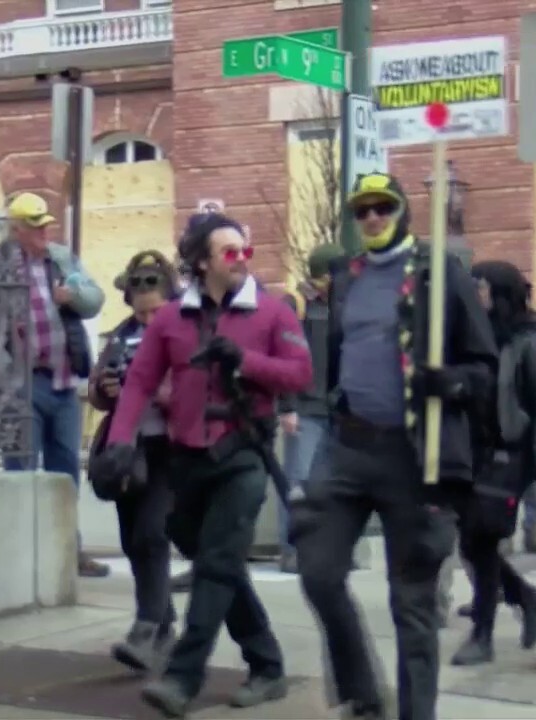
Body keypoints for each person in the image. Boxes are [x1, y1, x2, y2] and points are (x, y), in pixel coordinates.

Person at [293, 172, 497, 720]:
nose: (374, 218)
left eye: (383, 208)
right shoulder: (346, 276)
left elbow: (484, 366)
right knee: (316, 568)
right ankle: (362, 689)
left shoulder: (438, 273)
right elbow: (335, 356)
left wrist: (451, 381)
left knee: (412, 601)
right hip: (349, 446)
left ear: (403, 211)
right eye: (363, 211)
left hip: (414, 453)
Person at [102, 212, 313, 716]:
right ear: (201, 262)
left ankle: (182, 676)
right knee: (218, 564)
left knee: (216, 564)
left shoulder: (272, 311)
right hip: (186, 459)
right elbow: (139, 381)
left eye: (245, 251)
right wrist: (120, 439)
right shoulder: (173, 318)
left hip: (243, 454)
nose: (241, 260)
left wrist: (244, 359)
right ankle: (267, 664)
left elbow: (301, 374)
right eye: (229, 252)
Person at [449, 260, 536, 666]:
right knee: (474, 541)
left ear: (501, 293)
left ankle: (483, 634)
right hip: (472, 451)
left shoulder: (528, 342)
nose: (477, 295)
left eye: (482, 288)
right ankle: (527, 597)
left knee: (482, 538)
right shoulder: (475, 336)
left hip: (508, 455)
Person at [1, 192, 109, 578]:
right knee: (23, 471)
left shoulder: (61, 259)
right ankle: (23, 553)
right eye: (36, 226)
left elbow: (96, 300)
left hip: (64, 383)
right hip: (24, 383)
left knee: (65, 473)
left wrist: (73, 295)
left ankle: (68, 550)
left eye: (46, 224)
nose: (45, 231)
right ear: (16, 230)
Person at [89, 250, 180, 674]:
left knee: (152, 535)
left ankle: (146, 630)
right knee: (131, 540)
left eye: (155, 310)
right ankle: (163, 625)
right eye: (141, 312)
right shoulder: (120, 335)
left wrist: (152, 388)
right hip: (128, 447)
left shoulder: (184, 330)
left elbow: (192, 390)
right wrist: (107, 389)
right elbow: (97, 390)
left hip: (168, 447)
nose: (148, 320)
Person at [276, 242, 347, 574]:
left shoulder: (344, 305)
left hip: (338, 409)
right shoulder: (298, 305)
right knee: (299, 481)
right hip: (305, 408)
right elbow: (283, 357)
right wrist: (287, 406)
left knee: (336, 485)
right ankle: (292, 549)